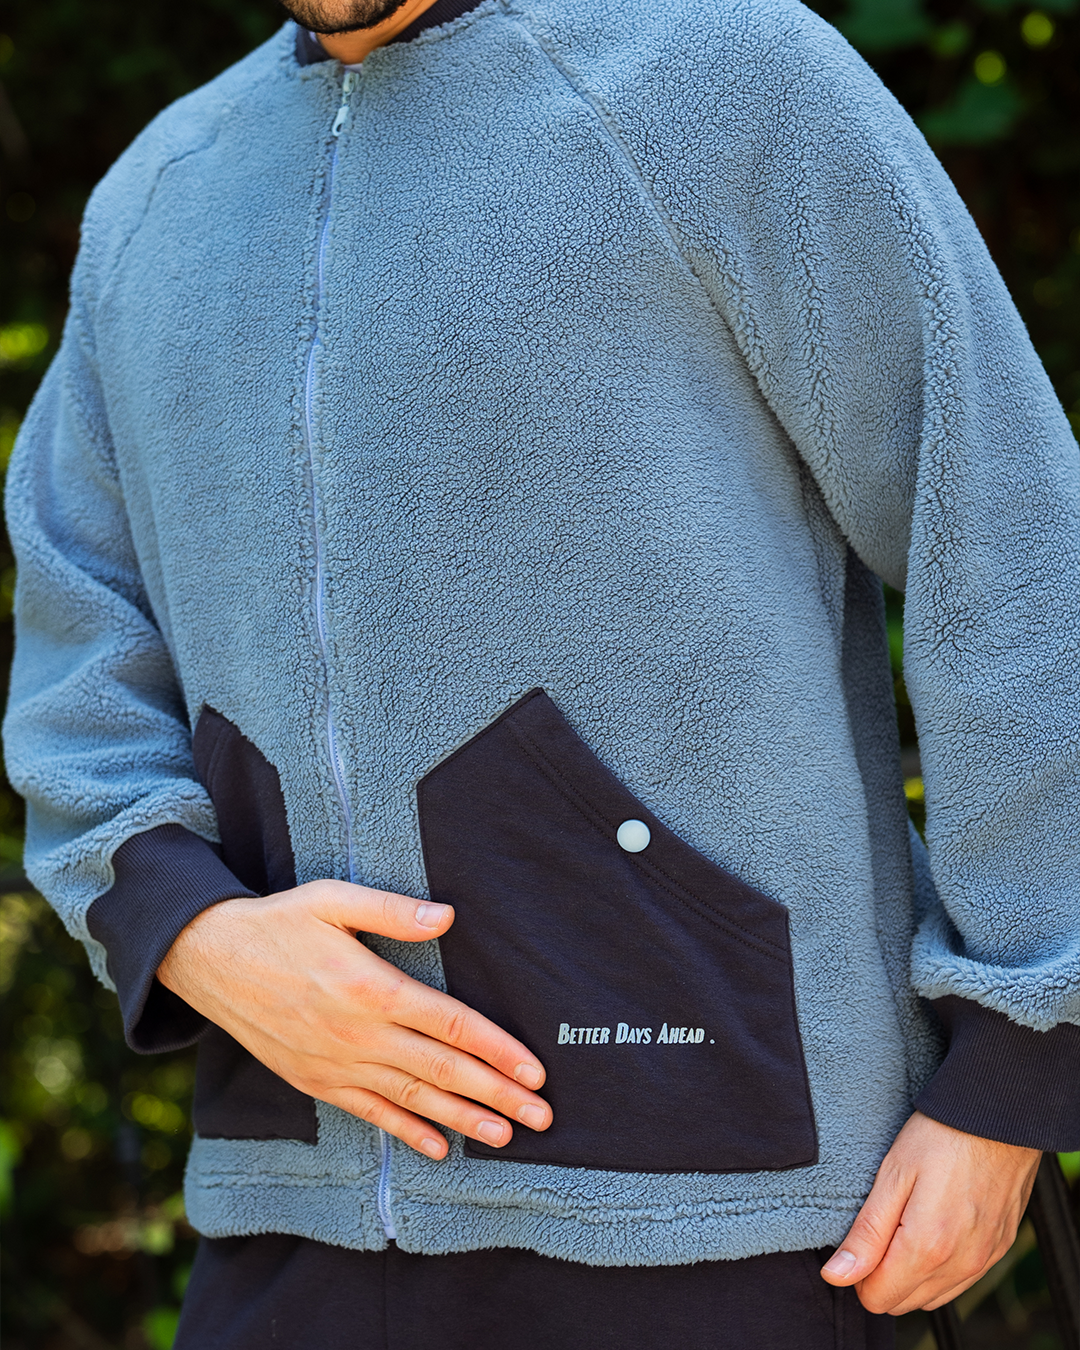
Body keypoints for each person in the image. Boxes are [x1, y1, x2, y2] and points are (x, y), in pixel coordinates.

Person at [5, 0, 1080, 1342]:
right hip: (293, 1211)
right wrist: (189, 929)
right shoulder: (158, 196)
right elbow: (77, 649)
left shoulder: (731, 78)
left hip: (725, 1197)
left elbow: (1011, 546)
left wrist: (1018, 1066)